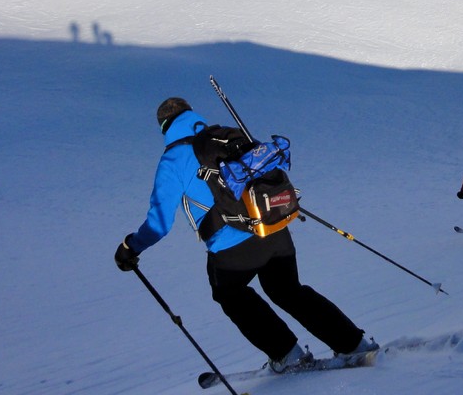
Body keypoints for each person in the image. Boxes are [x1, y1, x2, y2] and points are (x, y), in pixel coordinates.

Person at [114, 97, 377, 372]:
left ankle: (288, 356)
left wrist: (130, 247)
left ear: (164, 128)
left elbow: (159, 223)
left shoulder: (173, 160)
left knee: (229, 293)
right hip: (273, 228)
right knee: (288, 291)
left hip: (232, 245)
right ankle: (354, 345)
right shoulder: (227, 135)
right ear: (192, 114)